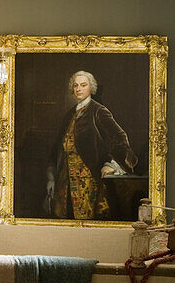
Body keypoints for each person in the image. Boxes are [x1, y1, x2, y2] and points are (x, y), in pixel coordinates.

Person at [46, 70, 137, 220]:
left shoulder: (98, 111)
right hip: (66, 179)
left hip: (88, 179)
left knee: (87, 220)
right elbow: (57, 148)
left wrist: (111, 164)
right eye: (75, 86)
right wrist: (51, 177)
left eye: (83, 85)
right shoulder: (70, 114)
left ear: (91, 88)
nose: (78, 89)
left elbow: (120, 138)